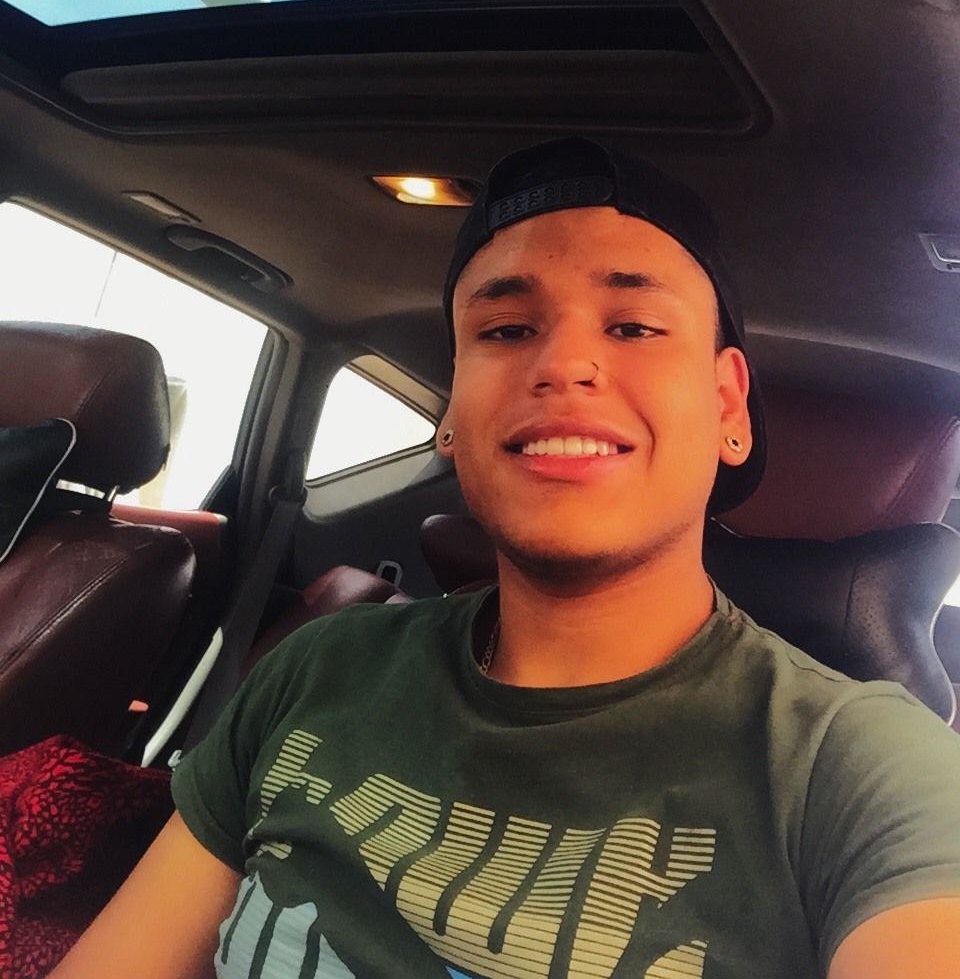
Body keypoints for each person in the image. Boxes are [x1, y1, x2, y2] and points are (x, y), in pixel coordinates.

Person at [51, 138, 960, 979]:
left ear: (728, 407)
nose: (564, 363)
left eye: (635, 327)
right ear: (452, 414)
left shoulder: (861, 767)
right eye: (506, 330)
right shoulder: (318, 668)